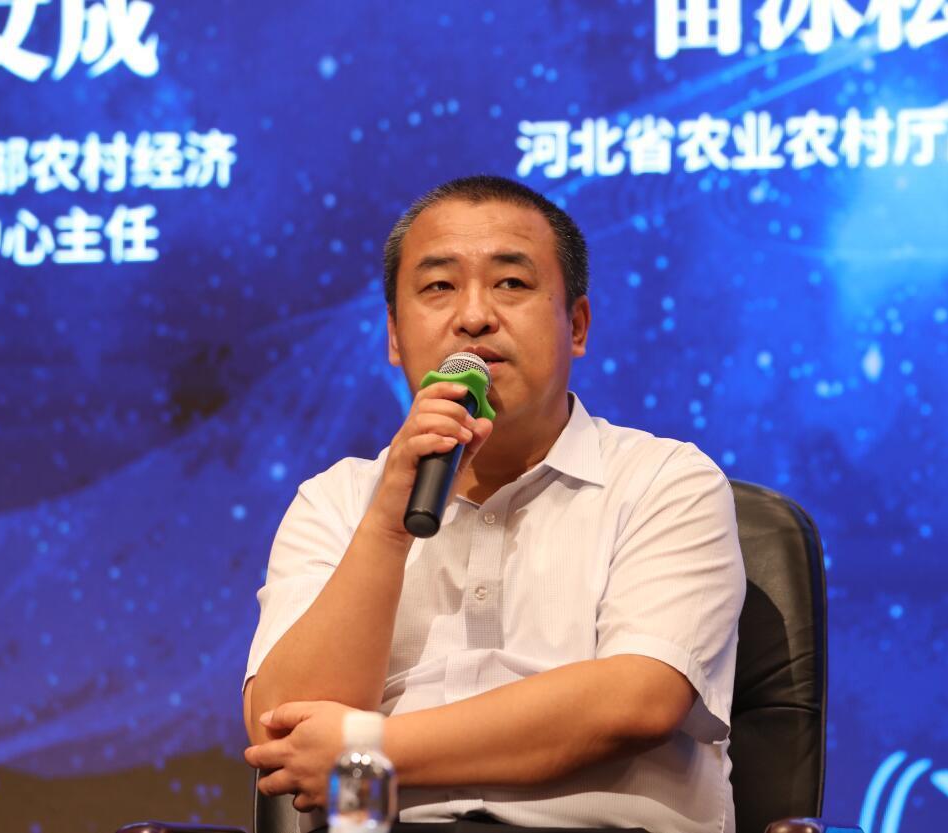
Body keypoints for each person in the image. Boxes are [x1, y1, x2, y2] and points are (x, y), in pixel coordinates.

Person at [242, 175, 745, 833]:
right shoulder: (334, 502)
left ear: (576, 325)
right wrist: (388, 526)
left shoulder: (665, 481)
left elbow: (636, 700)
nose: (474, 316)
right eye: (438, 287)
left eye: (510, 283)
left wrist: (368, 749)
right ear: (394, 336)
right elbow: (280, 730)